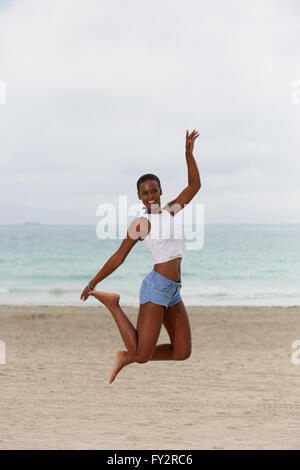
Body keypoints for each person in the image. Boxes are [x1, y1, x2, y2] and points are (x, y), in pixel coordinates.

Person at [80, 129, 201, 383]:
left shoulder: (169, 212)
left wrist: (188, 154)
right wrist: (93, 282)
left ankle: (127, 356)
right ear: (139, 197)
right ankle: (113, 304)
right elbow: (118, 256)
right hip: (156, 288)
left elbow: (194, 186)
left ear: (160, 191)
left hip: (173, 290)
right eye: (145, 193)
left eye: (154, 191)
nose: (150, 196)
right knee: (141, 355)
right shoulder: (140, 224)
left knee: (182, 352)